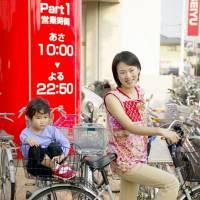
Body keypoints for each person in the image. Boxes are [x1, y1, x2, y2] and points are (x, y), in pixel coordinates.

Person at [104, 51, 180, 200]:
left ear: (138, 69)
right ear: (117, 75)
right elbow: (131, 126)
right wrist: (161, 131)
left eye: (131, 70)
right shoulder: (112, 98)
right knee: (171, 183)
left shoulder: (139, 92)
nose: (128, 76)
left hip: (139, 155)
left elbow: (143, 119)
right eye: (122, 72)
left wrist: (160, 122)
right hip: (124, 160)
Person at [20, 97, 76, 180]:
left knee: (54, 145)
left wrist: (62, 155)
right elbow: (23, 138)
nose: (42, 121)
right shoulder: (26, 133)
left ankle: (58, 169)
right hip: (36, 167)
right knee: (34, 147)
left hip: (52, 166)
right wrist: (28, 140)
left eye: (45, 117)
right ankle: (57, 168)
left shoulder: (52, 130)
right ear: (30, 119)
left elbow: (65, 143)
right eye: (38, 118)